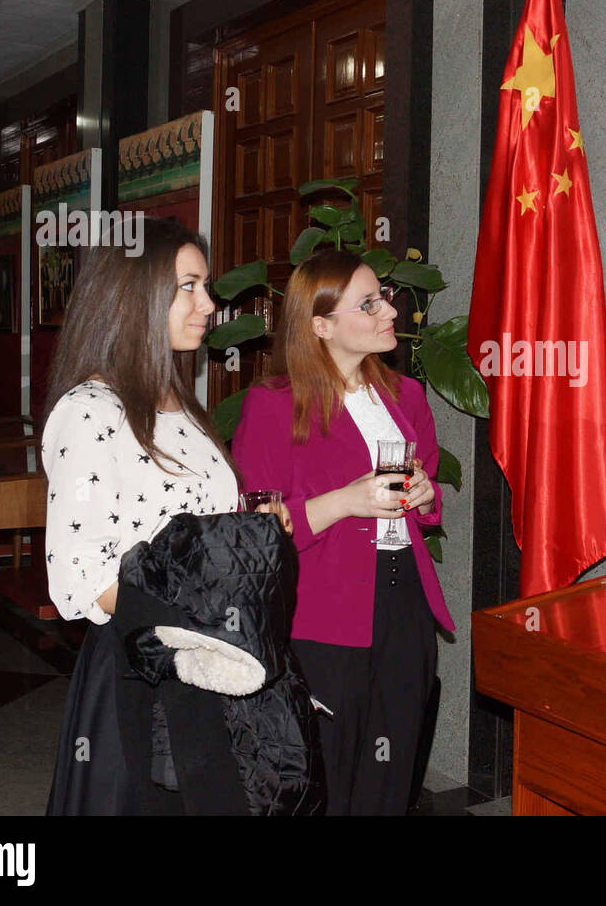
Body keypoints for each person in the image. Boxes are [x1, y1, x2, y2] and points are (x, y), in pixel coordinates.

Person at [41, 218, 291, 814]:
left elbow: (189, 528)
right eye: (189, 286)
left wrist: (249, 533)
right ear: (135, 295)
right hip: (144, 670)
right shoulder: (88, 413)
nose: (208, 303)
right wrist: (199, 605)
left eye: (204, 286)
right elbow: (82, 582)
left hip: (213, 660)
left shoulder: (179, 401)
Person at [231, 247, 455, 815]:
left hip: (404, 601)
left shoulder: (407, 395)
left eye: (384, 298)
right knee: (327, 770)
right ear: (321, 325)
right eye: (370, 303)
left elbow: (424, 493)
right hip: (323, 611)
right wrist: (346, 501)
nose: (390, 313)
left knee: (395, 761)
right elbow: (260, 530)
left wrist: (426, 496)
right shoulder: (272, 406)